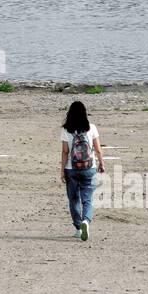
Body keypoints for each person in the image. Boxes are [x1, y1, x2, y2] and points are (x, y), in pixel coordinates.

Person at [59, 100, 104, 241]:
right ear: (84, 113)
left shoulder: (66, 130)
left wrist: (62, 170)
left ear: (70, 114)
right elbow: (97, 149)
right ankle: (86, 221)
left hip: (71, 169)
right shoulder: (91, 128)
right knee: (87, 199)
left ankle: (79, 227)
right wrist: (101, 163)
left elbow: (65, 152)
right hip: (88, 167)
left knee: (73, 199)